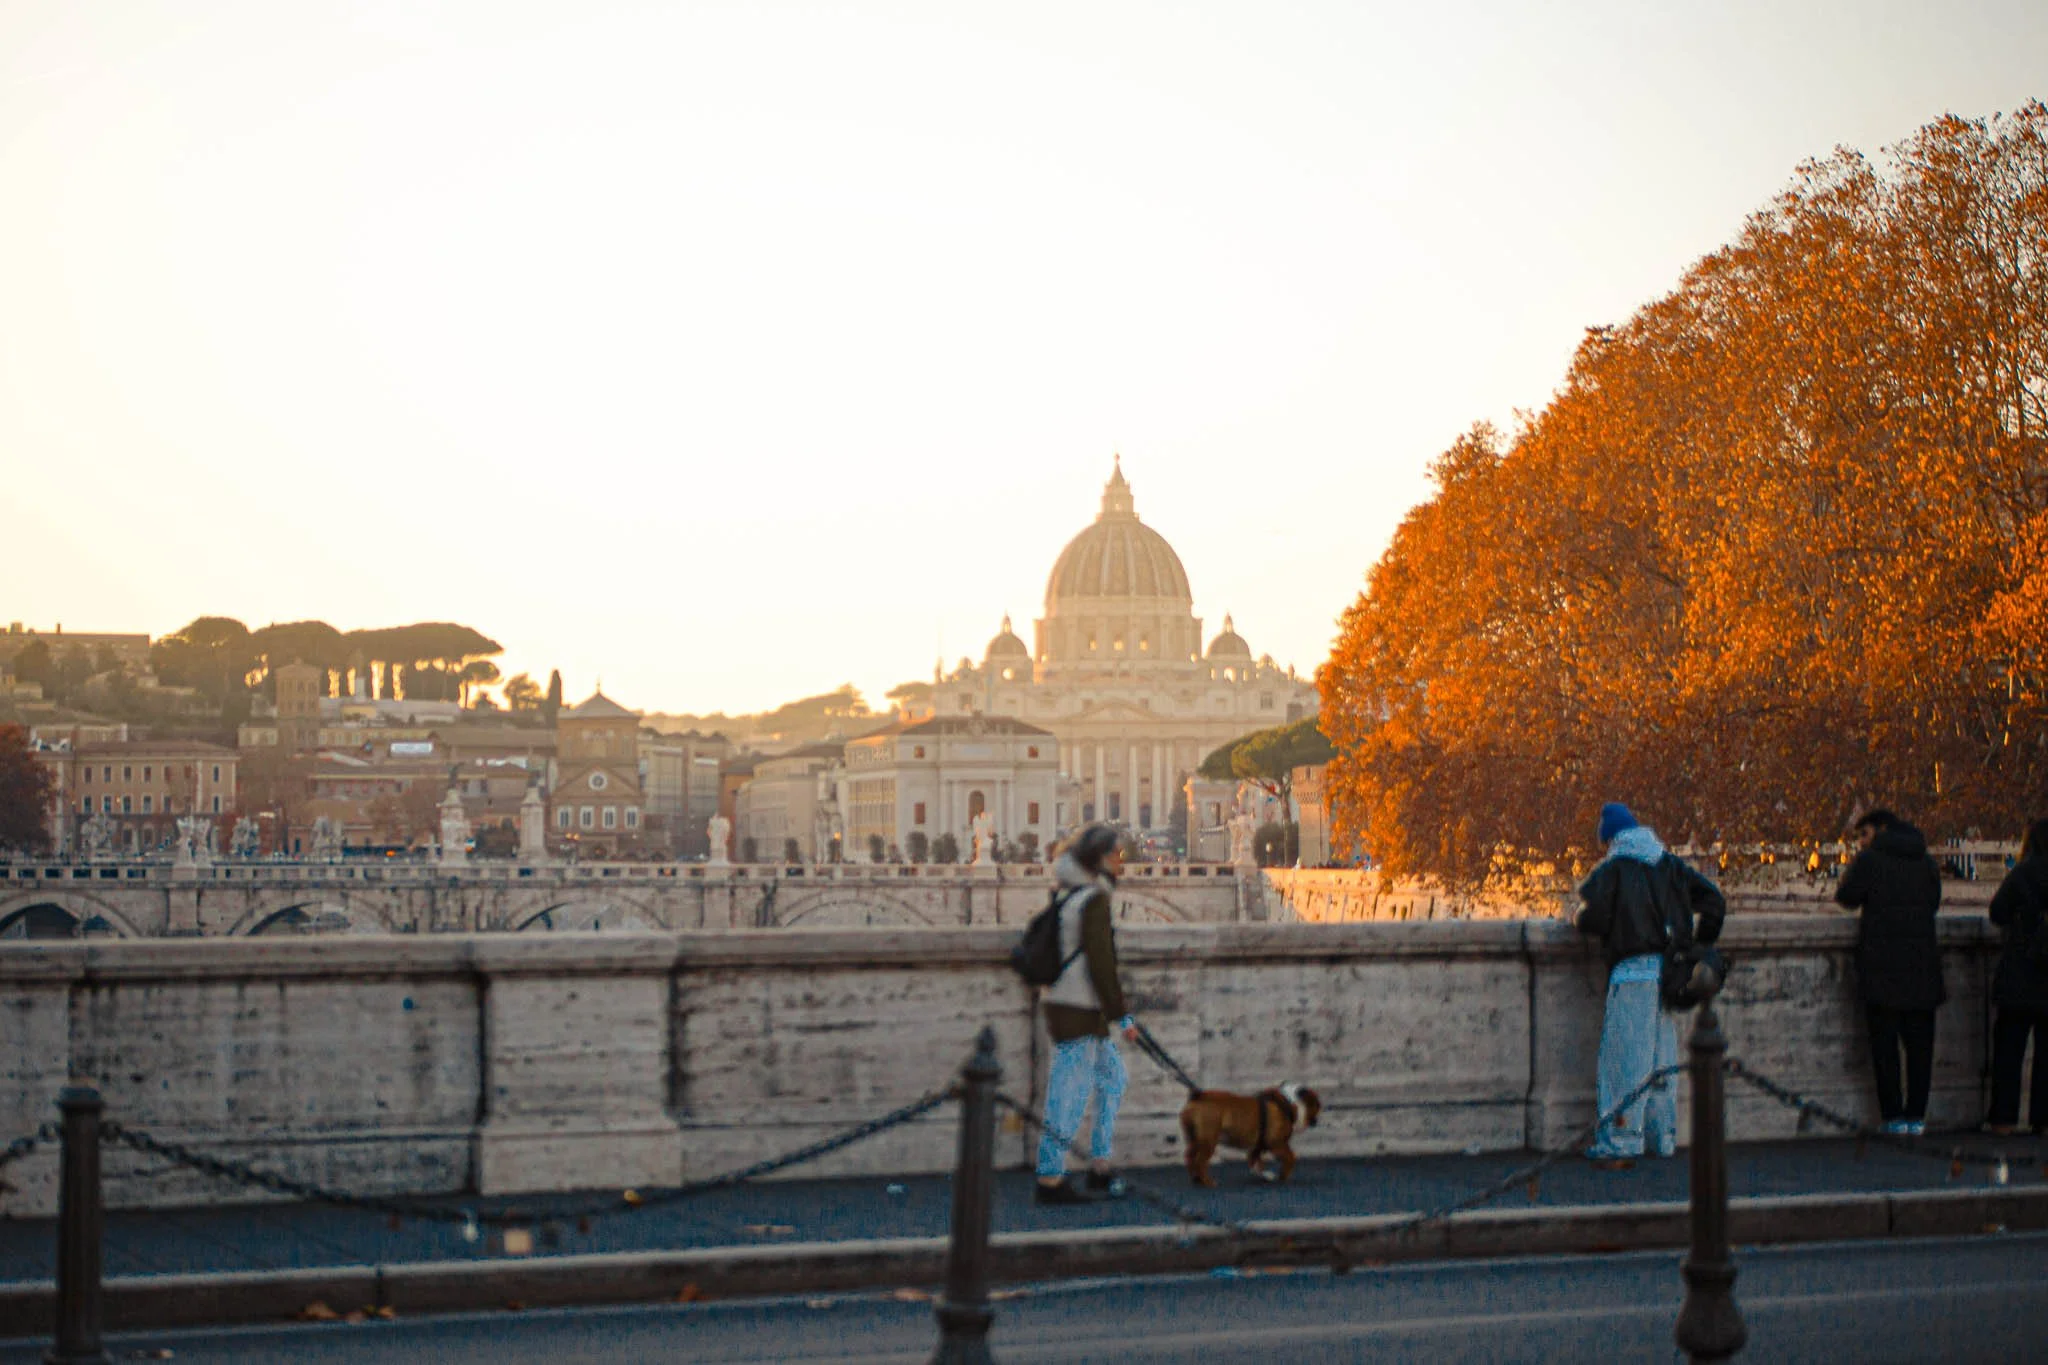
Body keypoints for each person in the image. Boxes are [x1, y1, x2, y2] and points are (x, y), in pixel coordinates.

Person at [1575, 803, 1726, 1170]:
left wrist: (1580, 919)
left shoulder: (1612, 869)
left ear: (1610, 838)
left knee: (1624, 1063)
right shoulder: (1670, 864)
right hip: (1670, 973)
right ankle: (1663, 1137)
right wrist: (1699, 947)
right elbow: (1714, 903)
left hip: (1631, 972)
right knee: (1662, 1061)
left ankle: (1621, 1142)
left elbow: (1591, 916)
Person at [1035, 823, 1137, 1205]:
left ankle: (1099, 1165)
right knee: (1068, 1095)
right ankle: (1049, 1178)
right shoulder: (1092, 899)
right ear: (1099, 859)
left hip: (1072, 1005)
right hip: (1078, 1008)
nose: (1122, 862)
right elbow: (1101, 963)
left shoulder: (1070, 893)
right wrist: (1122, 1016)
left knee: (1112, 1078)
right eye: (1117, 855)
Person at [1834, 808, 1945, 1136]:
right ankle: (1917, 1117)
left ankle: (1894, 1117)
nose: (1862, 842)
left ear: (1879, 830)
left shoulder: (1871, 861)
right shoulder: (1926, 863)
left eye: (1864, 834)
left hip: (1882, 967)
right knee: (1920, 1049)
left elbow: (1846, 897)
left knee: (1885, 1049)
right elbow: (1934, 902)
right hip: (1923, 966)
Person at [1986, 818, 2048, 1135]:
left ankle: (2004, 1119)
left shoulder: (2024, 873)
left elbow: (1997, 912)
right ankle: (2043, 1119)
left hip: (2021, 974)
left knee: (2009, 1052)